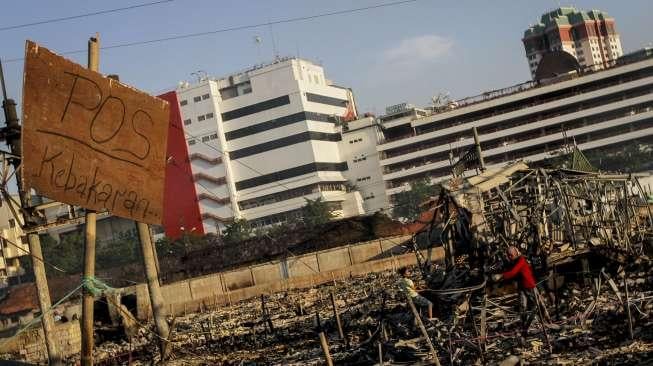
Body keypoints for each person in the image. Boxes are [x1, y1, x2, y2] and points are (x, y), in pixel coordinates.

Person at [492, 246, 538, 337]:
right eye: (508, 255)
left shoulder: (521, 260)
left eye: (511, 255)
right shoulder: (514, 261)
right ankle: (524, 327)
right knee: (522, 307)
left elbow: (513, 272)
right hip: (521, 287)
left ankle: (531, 324)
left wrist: (501, 275)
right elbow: (510, 270)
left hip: (529, 286)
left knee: (535, 306)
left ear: (515, 253)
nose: (509, 257)